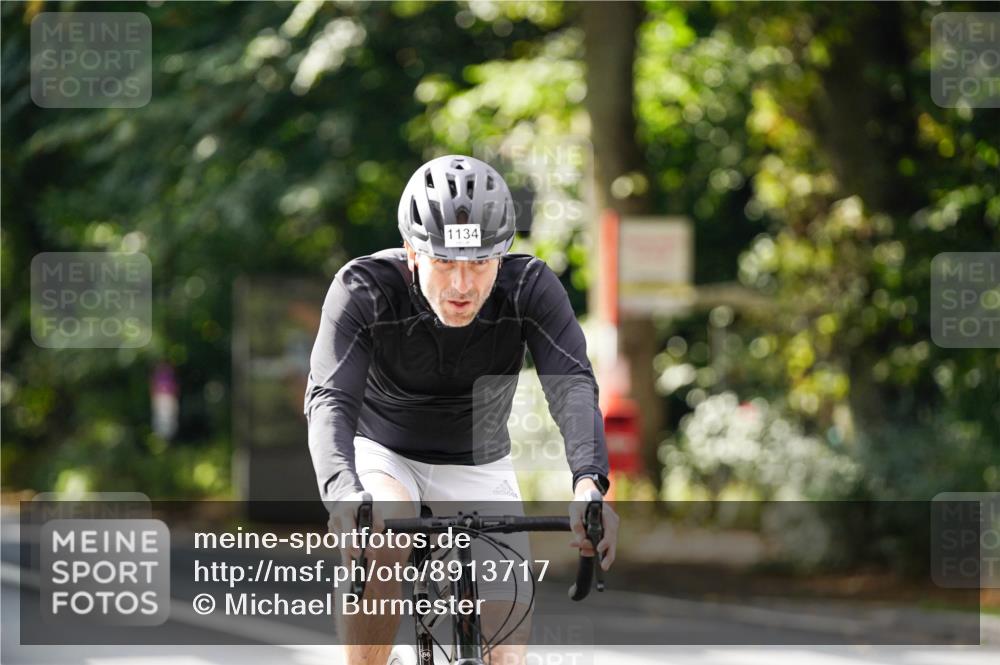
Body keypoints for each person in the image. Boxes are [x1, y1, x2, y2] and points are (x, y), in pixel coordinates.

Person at [305, 154, 619, 665]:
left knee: (505, 652)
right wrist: (343, 493)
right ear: (412, 253)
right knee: (382, 528)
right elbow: (330, 398)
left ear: (502, 256)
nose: (462, 286)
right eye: (445, 262)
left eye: (478, 264)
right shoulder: (364, 289)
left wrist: (588, 485)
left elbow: (572, 387)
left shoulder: (529, 287)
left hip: (480, 461)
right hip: (386, 453)